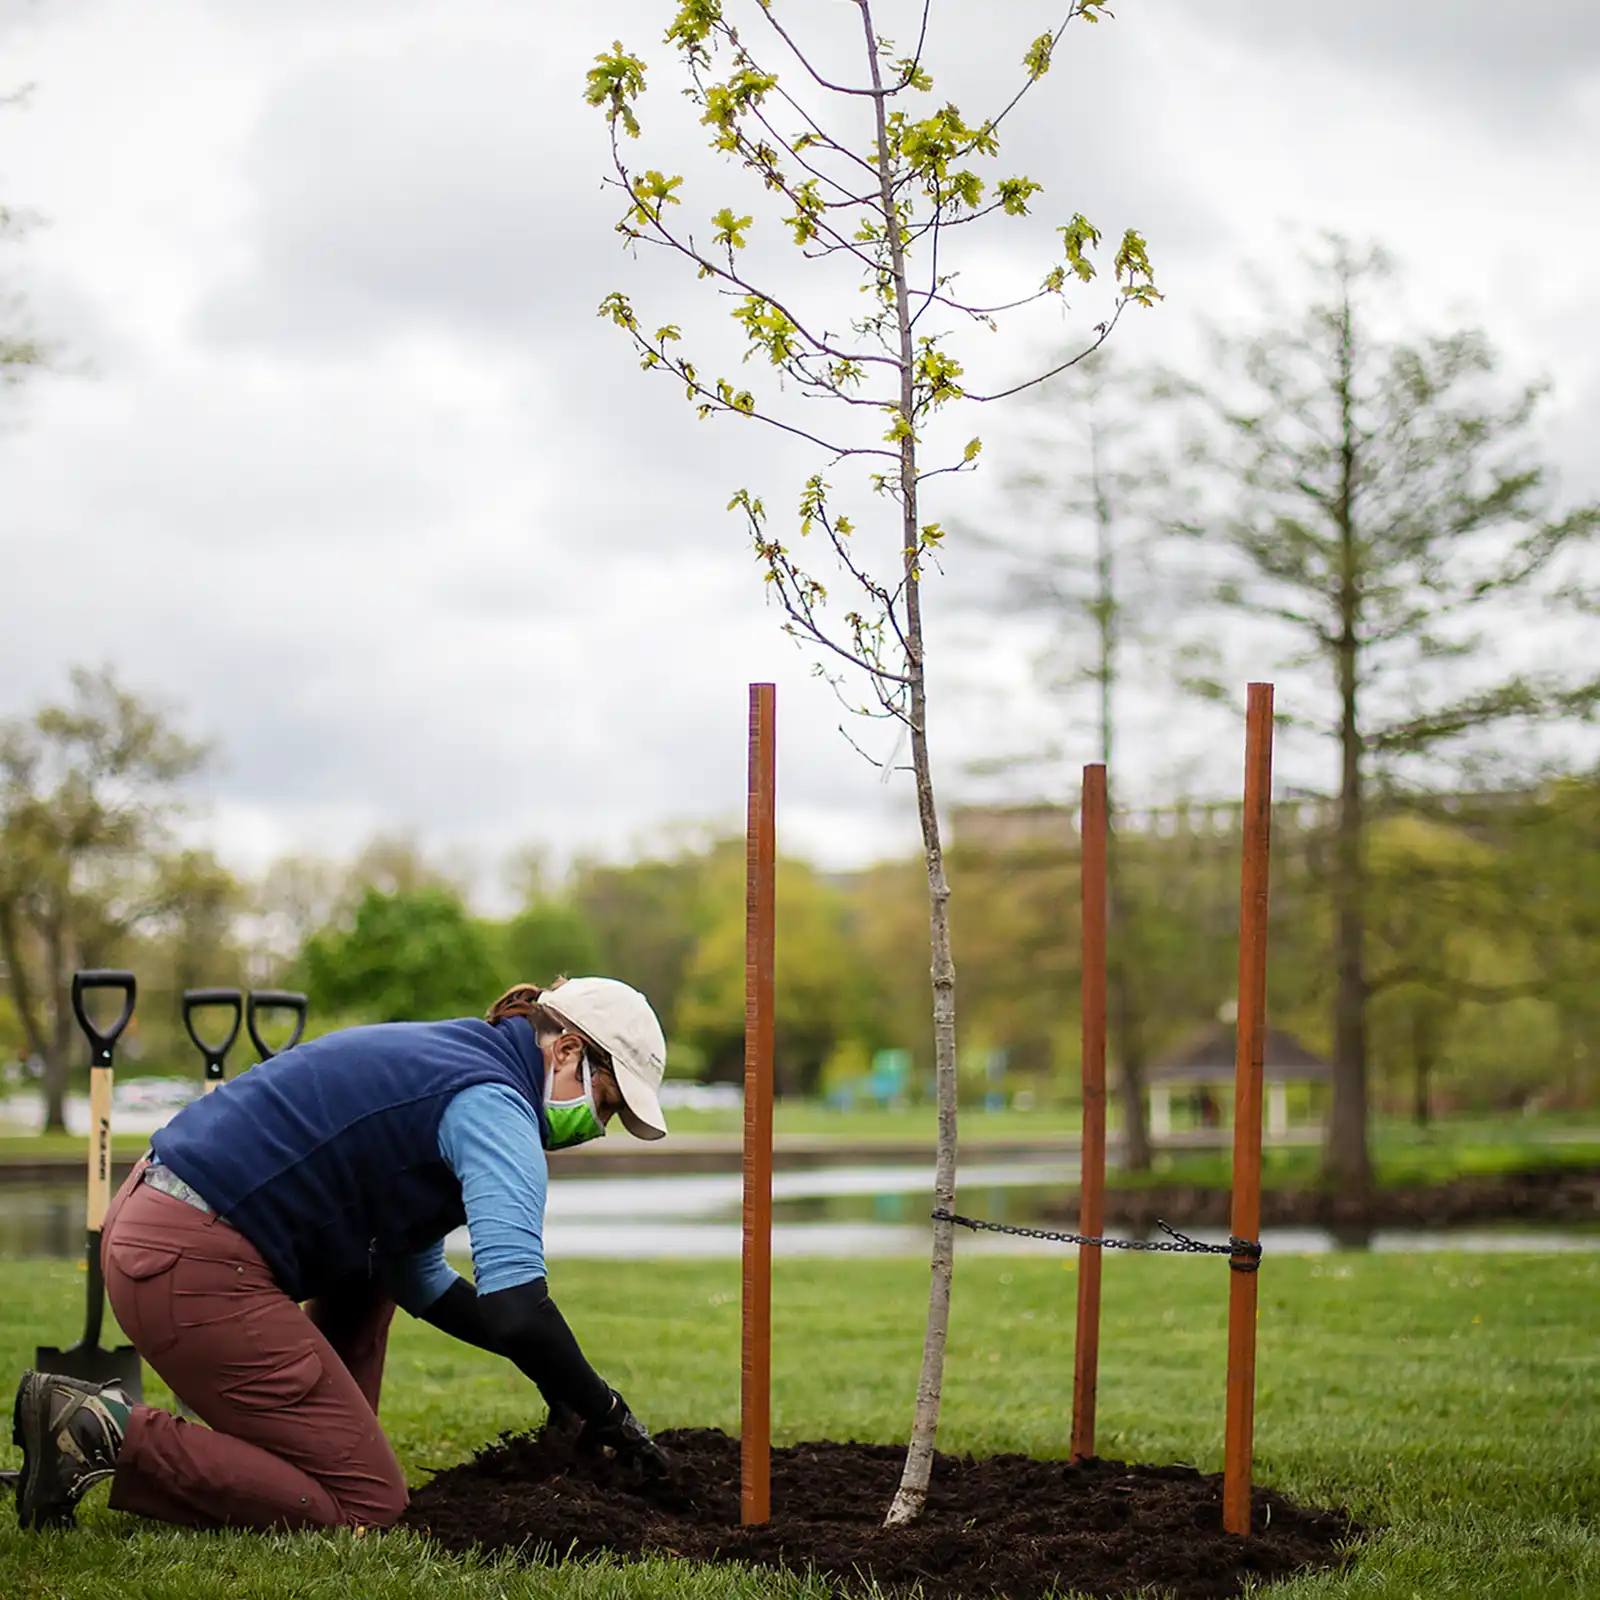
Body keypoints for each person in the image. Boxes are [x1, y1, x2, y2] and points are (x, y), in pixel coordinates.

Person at [12, 976, 671, 1532]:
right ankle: (100, 1429)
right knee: (367, 1504)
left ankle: (312, 1448)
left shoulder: (462, 1056)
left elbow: (421, 1280)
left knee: (375, 1278)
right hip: (190, 1261)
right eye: (607, 1103)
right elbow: (516, 1308)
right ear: (569, 1051)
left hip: (159, 1223)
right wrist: (605, 1407)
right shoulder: (495, 1106)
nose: (599, 1126)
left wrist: (559, 1380)